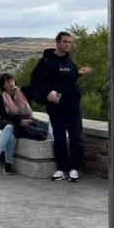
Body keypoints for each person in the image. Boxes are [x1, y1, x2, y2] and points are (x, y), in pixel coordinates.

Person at [29, 31, 92, 182]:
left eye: (70, 42)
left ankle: (75, 168)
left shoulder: (69, 61)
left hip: (72, 105)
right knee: (59, 137)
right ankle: (62, 168)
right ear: (57, 43)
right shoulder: (45, 61)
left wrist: (79, 73)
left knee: (76, 136)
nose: (67, 44)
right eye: (65, 42)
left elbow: (69, 79)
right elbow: (36, 82)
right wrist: (47, 93)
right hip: (55, 105)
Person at [0, 73, 33, 175]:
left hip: (27, 124)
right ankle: (7, 166)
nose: (11, 83)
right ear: (3, 85)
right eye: (7, 82)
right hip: (13, 125)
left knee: (10, 128)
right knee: (11, 132)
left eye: (12, 80)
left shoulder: (23, 92)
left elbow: (27, 112)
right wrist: (18, 121)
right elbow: (5, 117)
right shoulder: (1, 99)